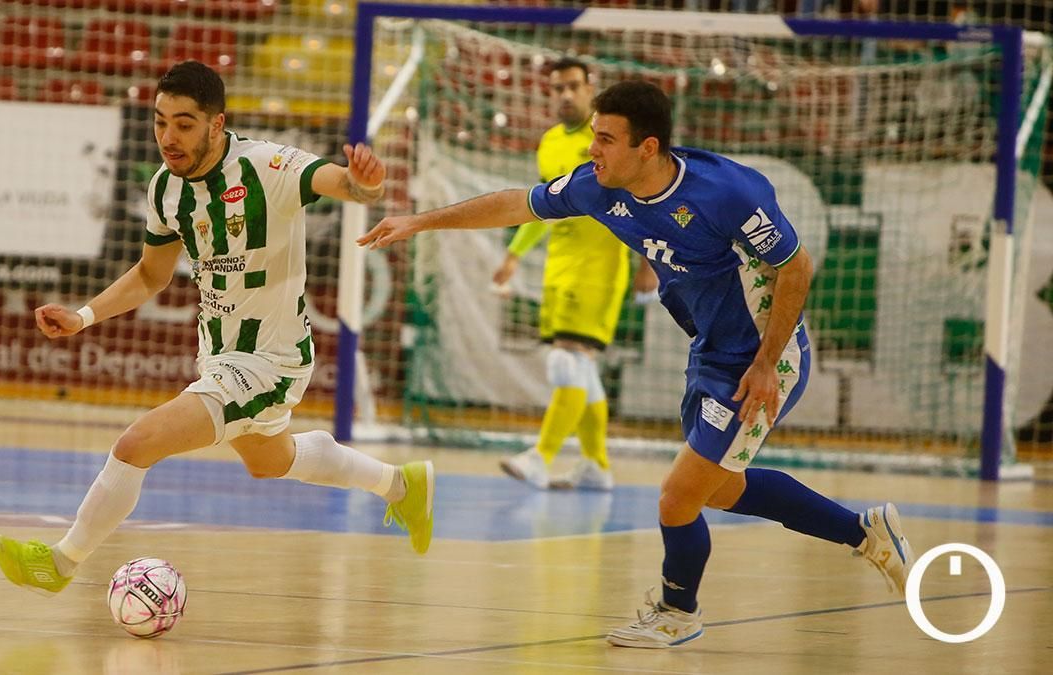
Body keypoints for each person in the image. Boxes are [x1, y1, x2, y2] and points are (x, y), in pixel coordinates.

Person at [360, 79, 912, 648]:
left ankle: (679, 613)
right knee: (718, 490)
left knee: (678, 497)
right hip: (710, 352)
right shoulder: (596, 188)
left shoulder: (728, 192)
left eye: (604, 138)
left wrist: (767, 364)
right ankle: (864, 531)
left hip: (763, 357)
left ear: (647, 147)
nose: (591, 149)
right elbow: (516, 203)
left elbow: (796, 269)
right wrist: (419, 221)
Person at [0, 61, 435, 595]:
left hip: (271, 359)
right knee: (271, 460)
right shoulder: (164, 190)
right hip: (218, 352)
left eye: (183, 124)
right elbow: (151, 274)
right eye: (159, 123)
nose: (167, 138)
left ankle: (60, 562)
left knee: (137, 444)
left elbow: (349, 188)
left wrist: (369, 182)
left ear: (216, 124)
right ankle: (400, 485)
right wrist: (83, 316)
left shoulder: (268, 165)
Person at [492, 57, 657, 492]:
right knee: (580, 365)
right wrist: (513, 254)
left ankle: (541, 458)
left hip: (599, 264)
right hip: (559, 263)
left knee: (567, 359)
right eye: (557, 88)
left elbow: (645, 195)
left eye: (572, 86)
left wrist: (648, 262)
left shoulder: (609, 138)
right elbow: (540, 204)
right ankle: (596, 465)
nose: (565, 95)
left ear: (590, 88)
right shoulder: (548, 143)